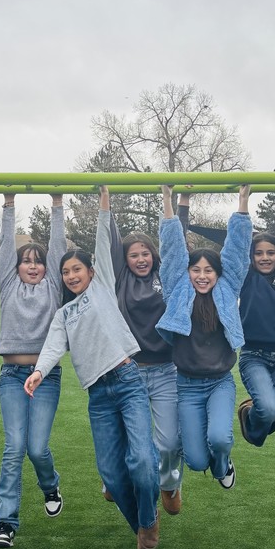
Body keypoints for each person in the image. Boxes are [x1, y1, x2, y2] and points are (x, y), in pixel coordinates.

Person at [24, 222, 161, 549]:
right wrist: (40, 371)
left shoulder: (102, 287)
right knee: (112, 475)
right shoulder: (64, 313)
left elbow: (104, 245)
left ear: (91, 272)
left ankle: (148, 519)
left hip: (128, 381)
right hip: (99, 396)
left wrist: (103, 202)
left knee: (141, 461)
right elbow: (54, 345)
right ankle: (142, 525)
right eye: (66, 272)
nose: (72, 276)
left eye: (77, 269)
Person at [96, 185, 190, 516]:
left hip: (165, 369)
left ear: (153, 254)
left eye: (145, 253)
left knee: (167, 442)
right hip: (128, 371)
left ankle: (169, 483)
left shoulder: (168, 276)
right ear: (126, 259)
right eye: (133, 254)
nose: (140, 259)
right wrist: (105, 199)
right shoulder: (119, 278)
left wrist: (176, 202)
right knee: (126, 436)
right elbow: (108, 241)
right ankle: (115, 479)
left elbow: (177, 248)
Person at [156, 185, 252, 489]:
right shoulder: (178, 290)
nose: (201, 275)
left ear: (218, 274)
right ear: (187, 273)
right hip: (186, 386)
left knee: (220, 439)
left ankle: (224, 463)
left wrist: (242, 203)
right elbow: (172, 251)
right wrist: (167, 201)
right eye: (195, 270)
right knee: (196, 461)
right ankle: (211, 462)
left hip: (220, 381)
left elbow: (236, 251)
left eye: (208, 270)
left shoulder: (227, 289)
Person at [0, 192, 66, 549]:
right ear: (17, 267)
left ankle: (50, 484)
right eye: (26, 261)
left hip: (46, 376)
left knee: (36, 448)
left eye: (38, 262)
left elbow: (58, 248)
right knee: (14, 446)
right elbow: (6, 247)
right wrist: (8, 204)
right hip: (11, 377)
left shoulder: (54, 287)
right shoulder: (7, 286)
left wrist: (56, 203)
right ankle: (5, 521)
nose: (33, 266)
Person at [236, 192, 275, 448]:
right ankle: (254, 417)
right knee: (270, 409)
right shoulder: (246, 277)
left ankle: (252, 420)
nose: (265, 257)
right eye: (259, 253)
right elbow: (240, 243)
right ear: (251, 257)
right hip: (254, 354)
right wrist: (243, 202)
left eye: (270, 253)